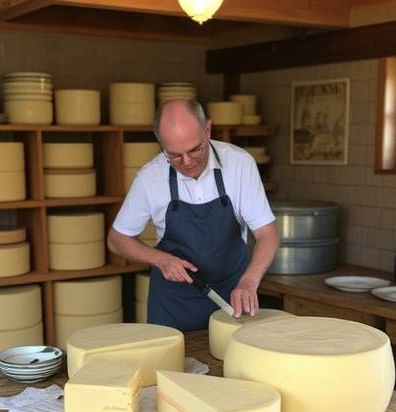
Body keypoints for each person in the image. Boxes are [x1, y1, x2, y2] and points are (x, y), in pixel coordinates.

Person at [107, 99, 279, 331]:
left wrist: (249, 281)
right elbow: (117, 240)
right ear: (159, 141)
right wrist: (161, 260)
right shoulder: (150, 178)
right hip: (173, 305)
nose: (187, 162)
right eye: (175, 155)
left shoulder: (240, 165)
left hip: (231, 297)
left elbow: (267, 234)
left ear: (207, 129)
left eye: (195, 149)